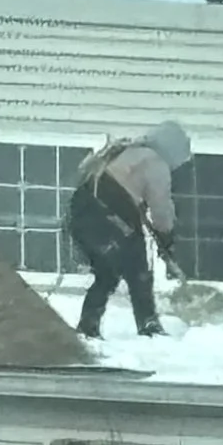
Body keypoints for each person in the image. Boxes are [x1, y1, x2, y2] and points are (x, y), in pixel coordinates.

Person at [69, 123, 193, 341]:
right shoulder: (155, 162)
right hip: (111, 211)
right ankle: (149, 326)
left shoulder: (128, 151)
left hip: (83, 209)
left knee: (107, 274)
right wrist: (167, 238)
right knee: (139, 272)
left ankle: (88, 327)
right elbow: (161, 207)